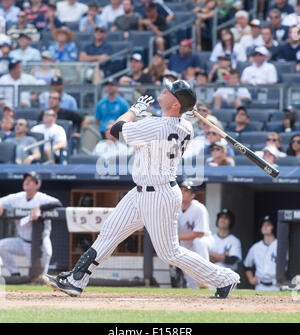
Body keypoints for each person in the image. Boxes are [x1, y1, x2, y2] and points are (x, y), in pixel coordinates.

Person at [43, 80, 240, 299]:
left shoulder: (159, 125)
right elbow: (174, 120)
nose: (162, 92)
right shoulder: (185, 126)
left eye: (168, 92)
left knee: (170, 253)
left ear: (175, 104)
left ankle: (224, 278)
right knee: (109, 233)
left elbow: (116, 130)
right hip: (140, 192)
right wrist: (183, 111)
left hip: (160, 194)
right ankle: (76, 280)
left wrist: (133, 110)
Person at [0, 171, 62, 277]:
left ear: (37, 185)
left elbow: (58, 203)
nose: (26, 182)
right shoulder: (17, 197)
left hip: (40, 244)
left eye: (31, 180)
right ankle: (15, 274)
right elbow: (1, 200)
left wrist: (40, 207)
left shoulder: (42, 198)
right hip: (22, 242)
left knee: (39, 279)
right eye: (26, 179)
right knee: (1, 245)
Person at [176, 180, 215, 289]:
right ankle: (194, 294)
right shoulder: (175, 208)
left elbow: (199, 233)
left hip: (205, 240)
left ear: (192, 195)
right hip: (185, 242)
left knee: (199, 242)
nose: (182, 192)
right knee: (189, 277)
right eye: (182, 189)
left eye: (186, 191)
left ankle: (204, 276)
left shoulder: (199, 208)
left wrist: (175, 237)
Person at [244, 215, 280, 291]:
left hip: (276, 286)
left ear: (274, 227)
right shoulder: (256, 247)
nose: (265, 227)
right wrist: (251, 278)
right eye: (263, 225)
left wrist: (285, 280)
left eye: (268, 225)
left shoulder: (281, 246)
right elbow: (247, 265)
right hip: (260, 286)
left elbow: (291, 265)